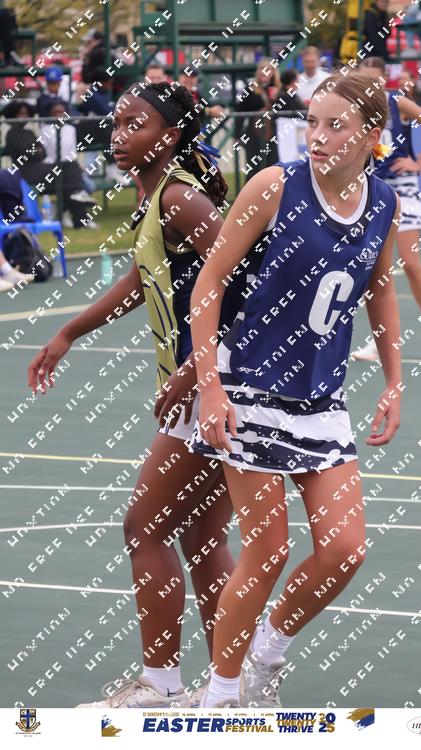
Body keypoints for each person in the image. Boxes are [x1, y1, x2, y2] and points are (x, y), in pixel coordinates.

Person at [27, 81, 263, 709]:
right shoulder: (159, 195)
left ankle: (160, 684)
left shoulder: (180, 197)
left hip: (214, 384)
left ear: (171, 135)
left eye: (136, 124)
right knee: (203, 540)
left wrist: (196, 368)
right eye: (118, 122)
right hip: (218, 381)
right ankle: (231, 686)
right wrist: (69, 332)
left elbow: (248, 282)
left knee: (144, 528)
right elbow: (142, 277)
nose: (119, 134)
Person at [186, 71, 402, 707]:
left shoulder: (383, 203)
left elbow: (381, 288)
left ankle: (267, 650)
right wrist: (210, 387)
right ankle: (221, 695)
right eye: (312, 122)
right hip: (248, 387)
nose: (318, 136)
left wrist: (394, 380)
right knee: (268, 551)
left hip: (320, 399)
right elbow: (208, 285)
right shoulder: (275, 186)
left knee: (345, 550)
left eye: (336, 125)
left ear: (371, 134)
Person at [352, 56, 421, 362]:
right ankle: (378, 340)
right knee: (374, 269)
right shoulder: (358, 109)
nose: (370, 86)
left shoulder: (398, 103)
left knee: (410, 262)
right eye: (364, 81)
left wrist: (419, 163)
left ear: (383, 80)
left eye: (374, 80)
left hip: (403, 187)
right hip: (373, 188)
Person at [2, 100, 95, 229]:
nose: (24, 116)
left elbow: (42, 153)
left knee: (67, 180)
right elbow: (30, 153)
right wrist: (36, 151)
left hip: (39, 169)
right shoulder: (11, 134)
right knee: (68, 171)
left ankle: (78, 216)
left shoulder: (29, 133)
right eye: (20, 114)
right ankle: (79, 207)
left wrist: (35, 151)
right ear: (13, 115)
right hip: (26, 173)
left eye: (26, 113)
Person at [234, 58, 281, 183]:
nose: (264, 72)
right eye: (261, 69)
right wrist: (237, 135)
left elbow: (288, 110)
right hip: (253, 135)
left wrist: (277, 97)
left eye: (268, 69)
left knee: (273, 168)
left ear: (273, 72)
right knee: (253, 169)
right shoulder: (250, 89)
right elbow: (239, 112)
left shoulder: (279, 89)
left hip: (274, 135)